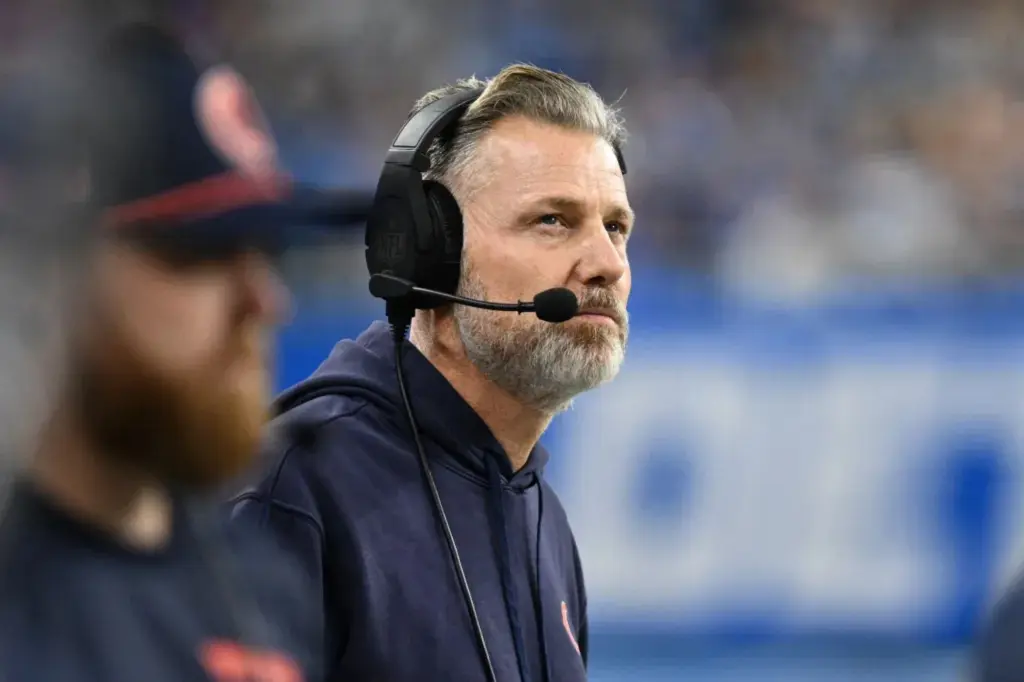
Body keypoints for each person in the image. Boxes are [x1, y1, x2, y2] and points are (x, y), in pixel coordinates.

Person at [232, 64, 634, 681]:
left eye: (615, 227)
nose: (608, 263)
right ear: (430, 255)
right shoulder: (297, 488)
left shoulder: (543, 522)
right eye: (552, 220)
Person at [0, 23, 366, 682]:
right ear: (48, 274)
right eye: (204, 252)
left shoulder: (266, 591)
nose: (265, 302)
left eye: (265, 251)